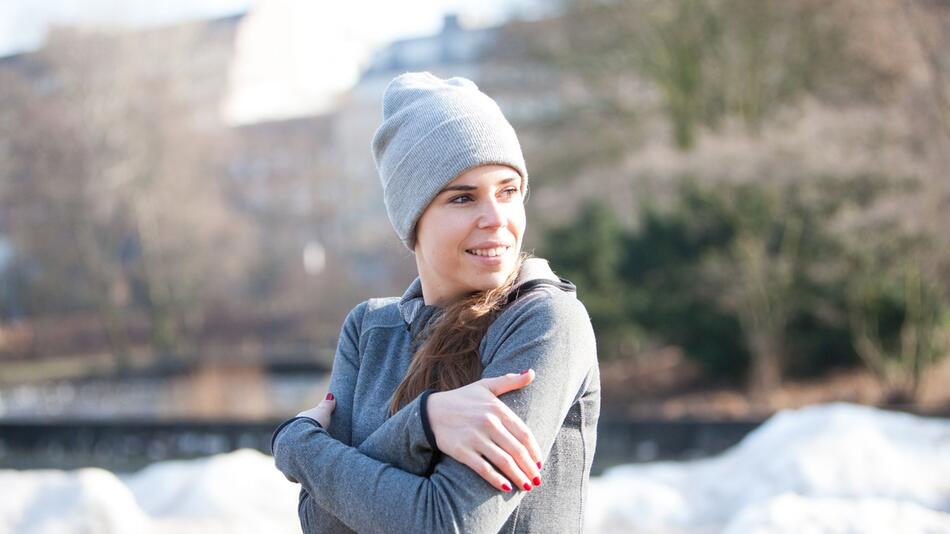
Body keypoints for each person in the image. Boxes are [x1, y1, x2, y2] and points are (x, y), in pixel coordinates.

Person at [271, 71, 600, 533]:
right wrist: (424, 425)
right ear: (413, 218)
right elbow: (321, 524)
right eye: (463, 198)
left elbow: (445, 523)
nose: (496, 219)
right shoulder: (370, 330)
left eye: (508, 191)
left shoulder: (544, 320)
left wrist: (298, 446)